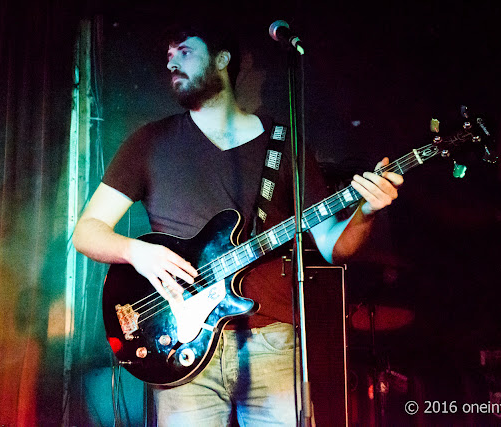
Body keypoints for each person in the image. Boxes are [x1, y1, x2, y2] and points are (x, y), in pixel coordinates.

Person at [72, 22, 403, 426]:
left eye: (185, 52)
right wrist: (136, 251)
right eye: (168, 55)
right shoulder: (149, 143)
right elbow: (87, 232)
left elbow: (335, 246)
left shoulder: (285, 142)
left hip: (273, 341)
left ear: (222, 59)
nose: (172, 62)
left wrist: (366, 213)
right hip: (179, 342)